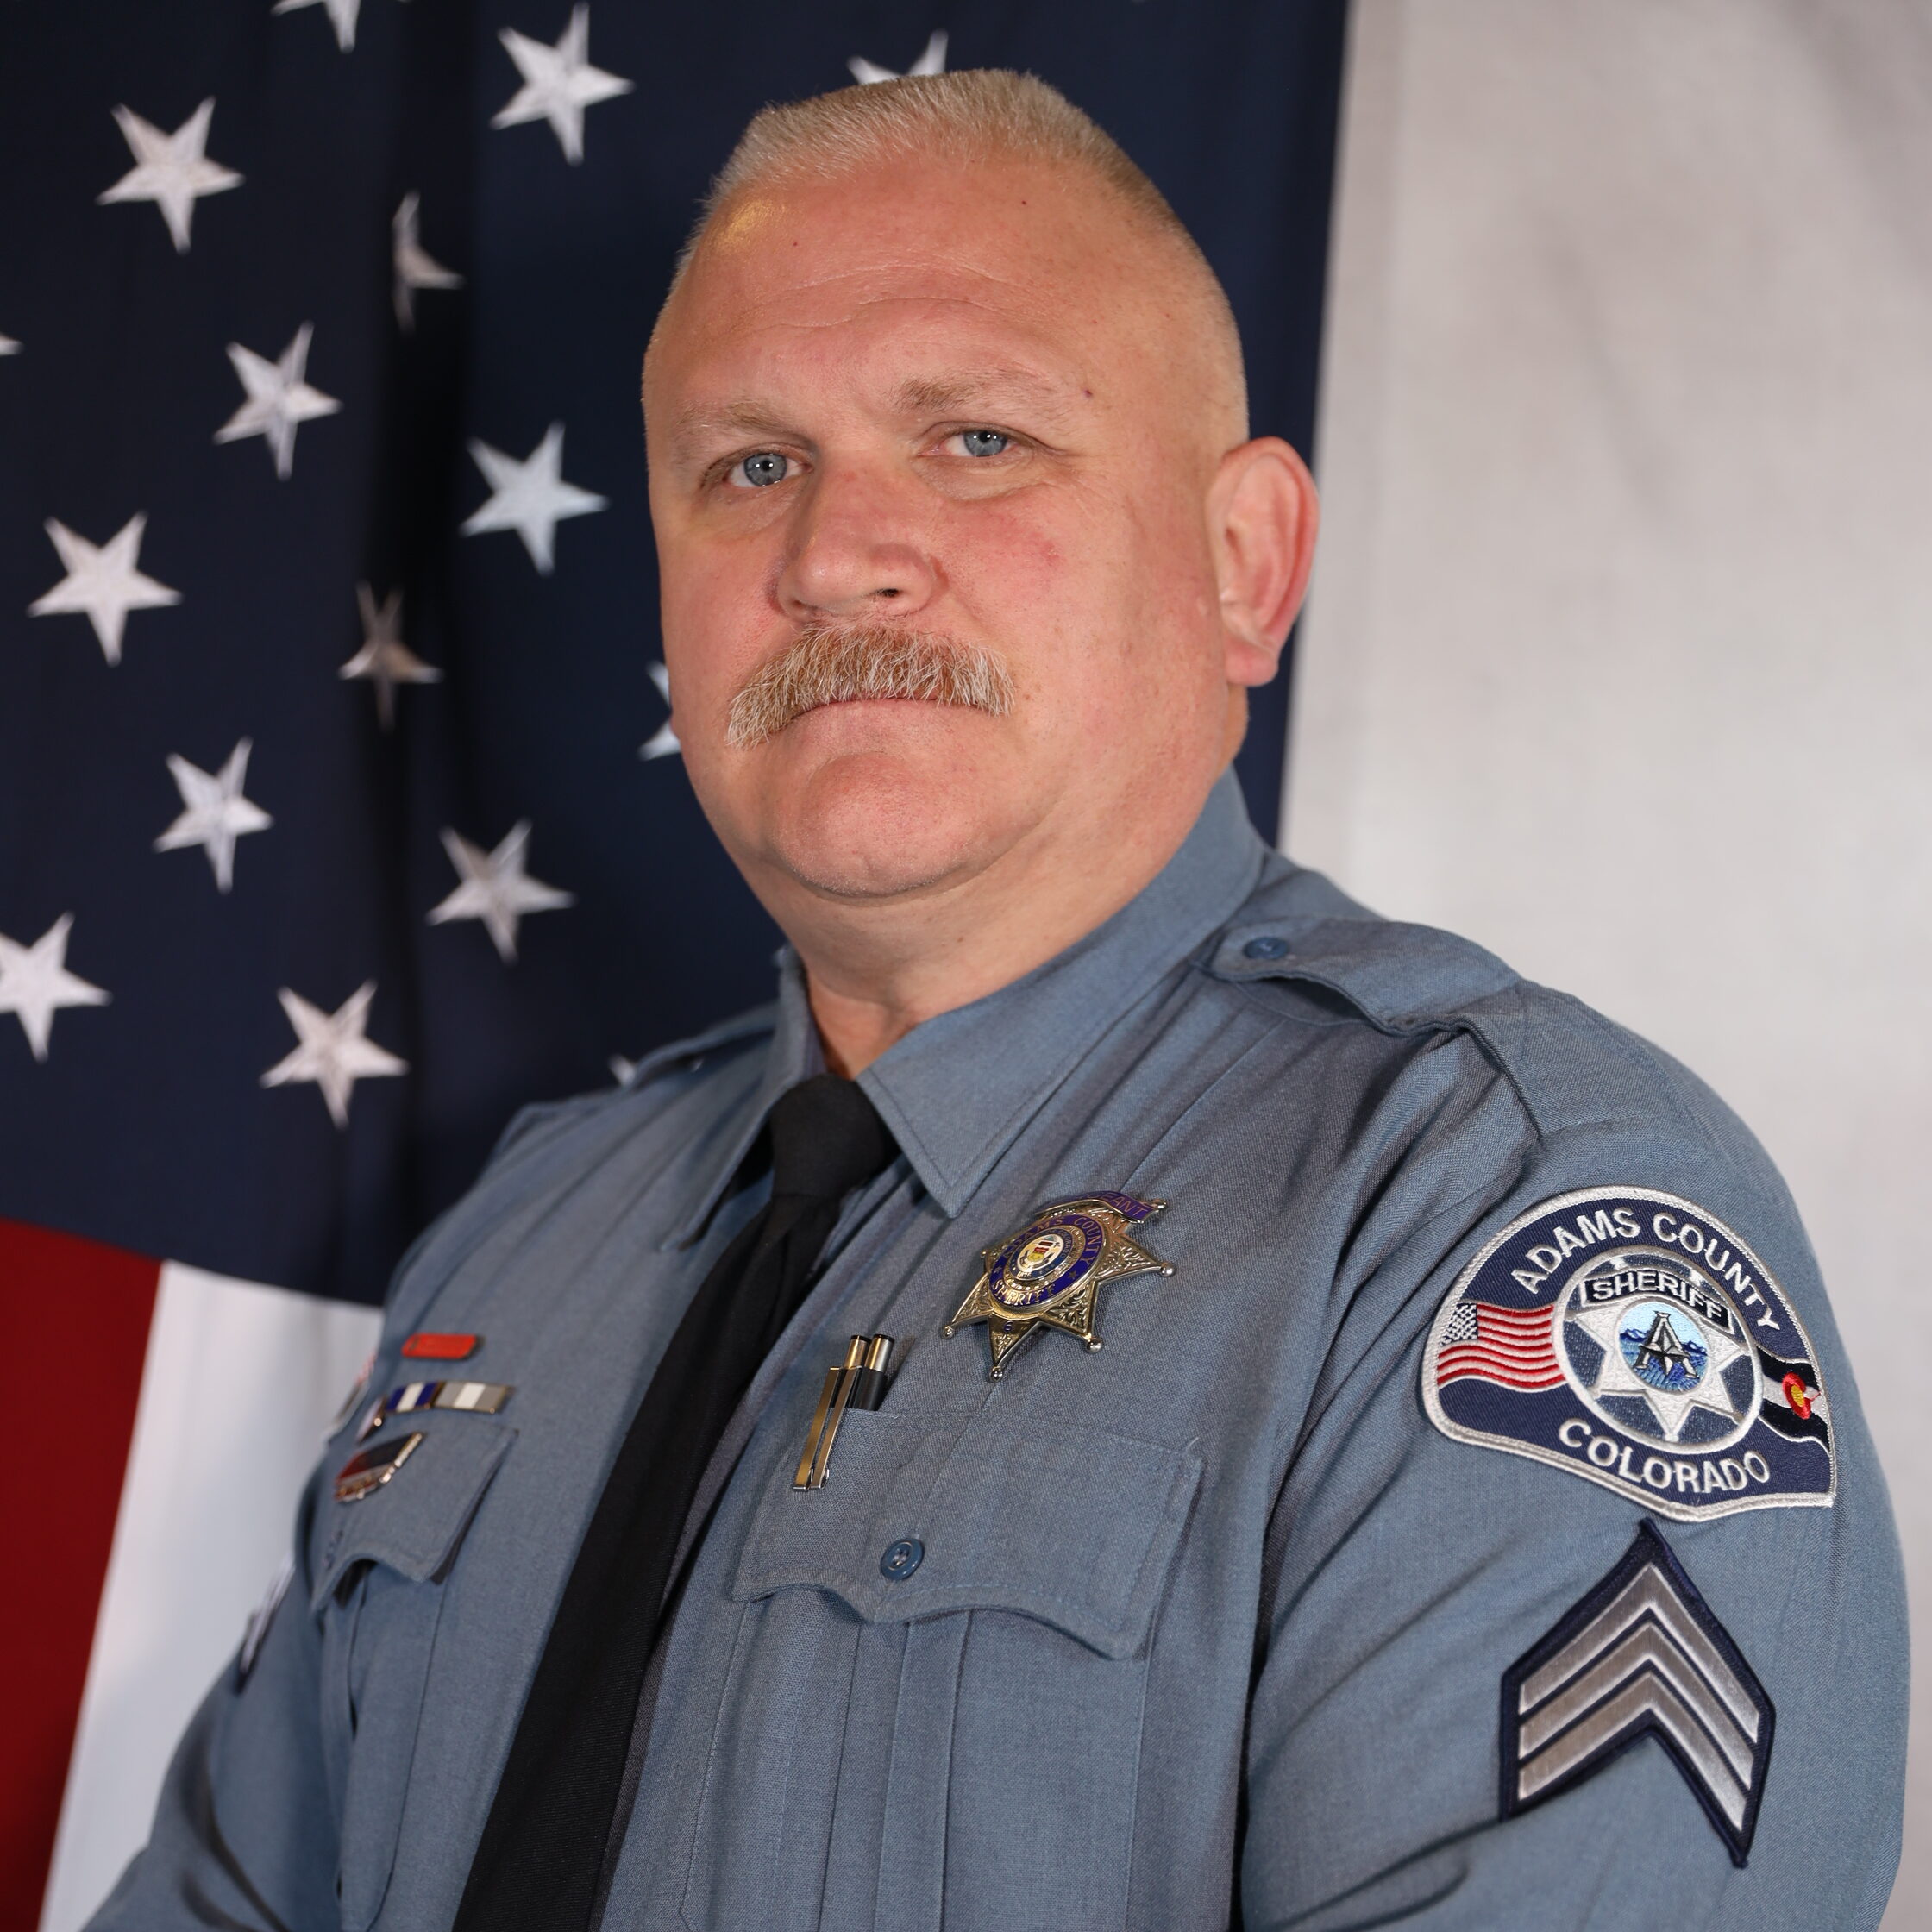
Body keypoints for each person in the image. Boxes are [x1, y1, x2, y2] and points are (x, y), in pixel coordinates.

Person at [92, 70, 1905, 1932]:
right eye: (748, 465)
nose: (828, 555)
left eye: (973, 439)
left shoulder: (1488, 1226)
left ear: (1242, 563)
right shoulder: (522, 1244)